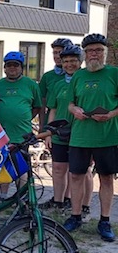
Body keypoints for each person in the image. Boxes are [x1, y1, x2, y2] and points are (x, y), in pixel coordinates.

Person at [64, 33, 117, 242]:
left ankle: (104, 221)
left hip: (107, 135)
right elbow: (69, 103)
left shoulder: (114, 73)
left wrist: (110, 114)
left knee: (106, 178)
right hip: (80, 136)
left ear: (105, 52)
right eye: (90, 51)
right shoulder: (78, 75)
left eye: (98, 50)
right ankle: (75, 216)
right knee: (76, 176)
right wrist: (74, 109)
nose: (94, 54)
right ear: (84, 54)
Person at [42, 45, 93, 218]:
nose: (69, 64)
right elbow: (53, 109)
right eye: (66, 61)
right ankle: (59, 202)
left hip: (81, 132)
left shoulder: (86, 81)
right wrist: (49, 132)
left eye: (73, 61)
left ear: (80, 62)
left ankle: (84, 205)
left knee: (82, 170)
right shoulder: (58, 84)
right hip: (60, 132)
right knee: (58, 168)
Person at [0, 51, 42, 198]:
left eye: (16, 65)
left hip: (22, 134)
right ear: (4, 68)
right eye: (9, 65)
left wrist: (23, 118)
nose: (12, 68)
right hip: (1, 133)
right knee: (3, 165)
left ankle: (22, 196)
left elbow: (37, 106)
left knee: (21, 166)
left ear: (22, 67)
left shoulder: (31, 84)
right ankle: (3, 197)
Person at [39, 38, 73, 126]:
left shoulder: (78, 75)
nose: (57, 56)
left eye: (60, 53)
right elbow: (42, 103)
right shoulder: (47, 76)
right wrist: (42, 126)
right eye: (55, 53)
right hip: (52, 120)